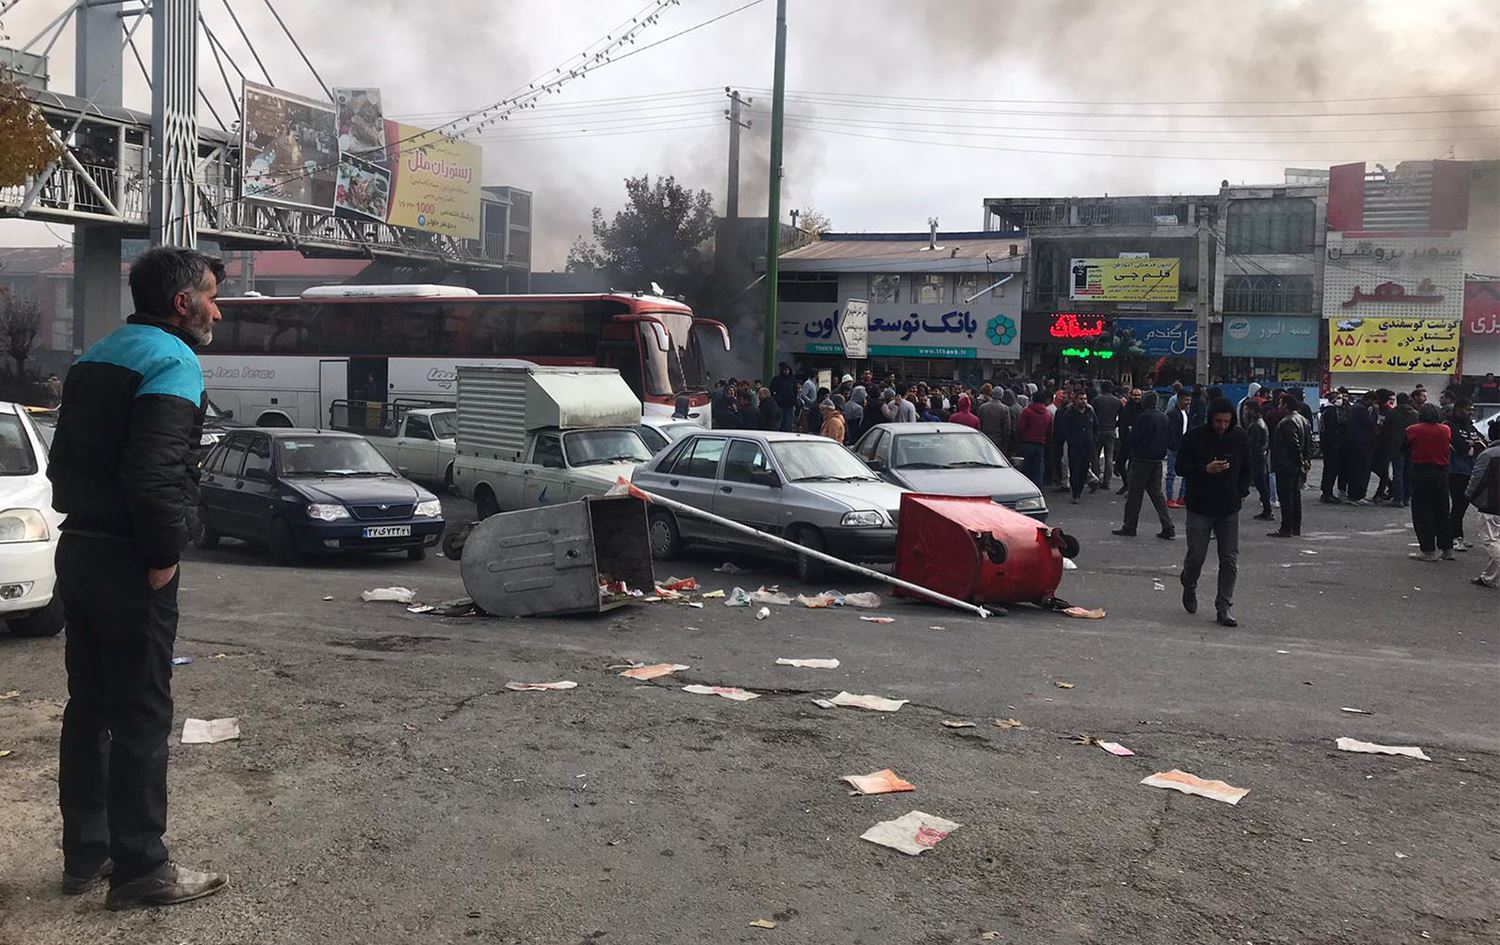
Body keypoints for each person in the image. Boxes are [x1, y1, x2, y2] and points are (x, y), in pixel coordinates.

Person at [46, 247, 230, 909]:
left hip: (79, 549)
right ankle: (142, 868)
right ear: (181, 302)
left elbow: (62, 463)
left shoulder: (98, 352)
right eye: (209, 295)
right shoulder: (173, 359)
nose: (216, 307)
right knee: (142, 713)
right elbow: (154, 472)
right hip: (130, 556)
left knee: (88, 708)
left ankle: (85, 857)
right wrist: (162, 551)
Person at [1175, 398, 1252, 627]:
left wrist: (1240, 492)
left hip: (1228, 508)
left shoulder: (1239, 438)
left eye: (1227, 421)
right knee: (1196, 555)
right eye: (1218, 421)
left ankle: (1224, 606)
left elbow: (1248, 468)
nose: (1222, 426)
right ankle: (1189, 583)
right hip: (1200, 506)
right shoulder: (1195, 437)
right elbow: (1180, 467)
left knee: (1229, 559)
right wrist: (1204, 470)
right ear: (1211, 419)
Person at [1112, 391, 1174, 540]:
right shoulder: (1164, 417)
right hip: (1157, 460)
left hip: (1141, 459)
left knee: (1134, 495)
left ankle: (1130, 526)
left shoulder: (1143, 418)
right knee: (1157, 494)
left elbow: (1134, 439)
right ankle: (1168, 525)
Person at [1406, 403, 1455, 562]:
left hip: (1421, 471)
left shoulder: (1413, 429)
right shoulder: (1445, 429)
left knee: (1422, 512)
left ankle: (1428, 550)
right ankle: (1447, 548)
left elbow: (1404, 446)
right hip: (1441, 473)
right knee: (1442, 510)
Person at [1267, 394, 1312, 538]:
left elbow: (1294, 445)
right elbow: (1307, 445)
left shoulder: (1287, 422)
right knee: (1295, 496)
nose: (1279, 407)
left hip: (1286, 465)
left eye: (1280, 404)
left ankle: (1286, 528)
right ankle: (1295, 527)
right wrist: (1304, 462)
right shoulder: (1303, 420)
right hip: (1296, 466)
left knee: (1286, 497)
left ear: (1286, 405)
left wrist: (1298, 461)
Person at [1447, 397, 1486, 552]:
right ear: (1458, 409)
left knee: (1463, 504)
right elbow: (1461, 447)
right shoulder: (1449, 425)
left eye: (1472, 409)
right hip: (1456, 470)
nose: (1471, 412)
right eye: (1468, 409)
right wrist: (1471, 446)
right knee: (1459, 504)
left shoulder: (1469, 426)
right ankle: (1454, 537)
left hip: (1470, 469)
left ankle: (1456, 534)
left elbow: (1482, 444)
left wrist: (1474, 446)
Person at [1466, 435, 1500, 588]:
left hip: (1491, 504)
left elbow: (1477, 479)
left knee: (1490, 541)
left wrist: (1470, 495)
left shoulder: (1489, 454)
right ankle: (1489, 577)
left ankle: (1489, 577)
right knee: (1496, 541)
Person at [1055, 388, 1099, 504]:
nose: (1083, 401)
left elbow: (1096, 427)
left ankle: (1079, 489)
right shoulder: (1069, 412)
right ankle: (1076, 494)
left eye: (1085, 399)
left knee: (1084, 470)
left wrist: (1093, 439)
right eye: (1081, 399)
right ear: (1075, 400)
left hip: (1087, 446)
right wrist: (1071, 440)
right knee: (1075, 470)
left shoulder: (1090, 412)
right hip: (1074, 447)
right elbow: (1063, 428)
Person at [1384, 392, 1419, 507]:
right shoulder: (1415, 414)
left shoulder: (1392, 413)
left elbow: (1386, 428)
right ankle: (1406, 498)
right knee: (1408, 472)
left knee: (1397, 472)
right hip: (1411, 445)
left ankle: (1397, 498)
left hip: (1396, 446)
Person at [1343, 391, 1378, 503]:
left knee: (1354, 470)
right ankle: (1357, 495)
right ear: (1370, 400)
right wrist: (1375, 413)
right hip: (1362, 442)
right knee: (1361, 470)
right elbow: (1370, 423)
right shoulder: (1362, 409)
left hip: (1354, 442)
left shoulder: (1355, 407)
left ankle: (1353, 494)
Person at [1242, 399, 1273, 521]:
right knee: (1262, 484)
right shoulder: (1260, 422)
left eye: (1247, 409)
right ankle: (1267, 509)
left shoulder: (1255, 425)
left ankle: (1267, 510)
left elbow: (1253, 445)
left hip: (1257, 457)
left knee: (1260, 483)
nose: (1245, 411)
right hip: (1262, 455)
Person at [1015, 395, 1052, 488]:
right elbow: (1050, 431)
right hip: (1040, 444)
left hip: (1026, 443)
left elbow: (1020, 428)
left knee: (1024, 468)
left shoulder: (1027, 412)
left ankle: (1025, 488)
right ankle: (1038, 489)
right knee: (1038, 469)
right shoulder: (1048, 414)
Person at [1164, 389, 1192, 508]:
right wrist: (1174, 446)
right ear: (1179, 399)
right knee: (1171, 473)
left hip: (1184, 447)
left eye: (1189, 400)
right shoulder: (1172, 413)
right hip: (1175, 448)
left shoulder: (1185, 412)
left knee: (1186, 473)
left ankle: (1182, 497)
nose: (1188, 402)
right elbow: (1171, 432)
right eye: (1186, 400)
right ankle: (1170, 498)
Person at [1091, 381, 1121, 490]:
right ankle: (1107, 481)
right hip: (1111, 430)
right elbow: (1121, 417)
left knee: (1095, 455)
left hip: (1099, 430)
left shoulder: (1096, 400)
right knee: (1109, 456)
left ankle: (1096, 478)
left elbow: (1091, 414)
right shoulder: (1117, 401)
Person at [1319, 391, 1348, 503]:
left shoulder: (1326, 410)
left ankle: (1326, 491)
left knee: (1329, 469)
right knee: (1331, 470)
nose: (1341, 400)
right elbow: (1331, 430)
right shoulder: (1331, 412)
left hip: (1328, 445)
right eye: (1339, 398)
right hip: (1332, 445)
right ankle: (1327, 493)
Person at [1115, 387, 1144, 495]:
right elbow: (1121, 419)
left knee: (1132, 467)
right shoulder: (1126, 407)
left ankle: (1132, 489)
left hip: (1137, 442)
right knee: (1119, 464)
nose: (1136, 397)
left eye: (1138, 395)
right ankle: (1126, 484)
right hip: (1125, 440)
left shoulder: (1143, 409)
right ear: (1130, 396)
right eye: (1135, 395)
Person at [770, 363, 798, 432]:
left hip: (789, 406)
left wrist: (794, 400)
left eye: (787, 370)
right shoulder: (776, 379)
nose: (786, 371)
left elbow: (795, 392)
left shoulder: (793, 379)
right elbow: (772, 390)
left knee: (788, 425)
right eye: (785, 370)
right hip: (780, 405)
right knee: (779, 425)